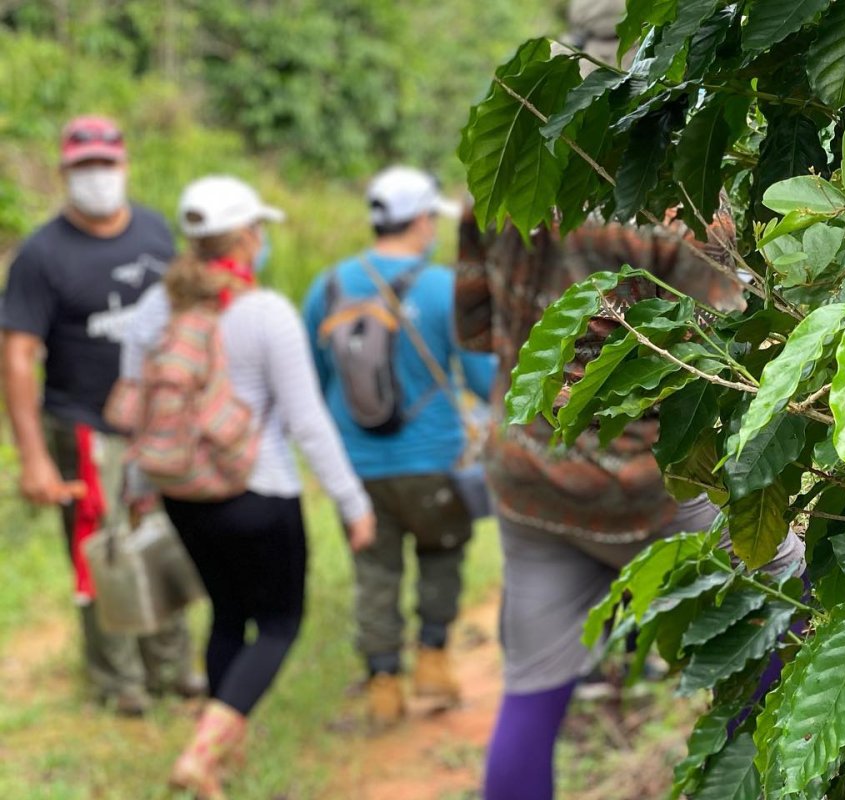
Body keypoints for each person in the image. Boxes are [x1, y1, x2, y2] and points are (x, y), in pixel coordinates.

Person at [119, 175, 376, 798]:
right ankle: (202, 754)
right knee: (281, 623)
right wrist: (351, 501)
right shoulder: (265, 312)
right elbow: (307, 422)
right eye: (257, 230)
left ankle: (219, 759)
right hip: (259, 493)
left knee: (229, 614)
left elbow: (135, 407)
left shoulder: (156, 310)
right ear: (244, 237)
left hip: (184, 496)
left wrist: (137, 486)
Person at [0, 115, 199, 716]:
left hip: (157, 419)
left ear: (125, 165)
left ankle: (174, 665)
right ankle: (120, 682)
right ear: (65, 172)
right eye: (84, 167)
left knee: (166, 538)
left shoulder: (154, 233)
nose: (97, 177)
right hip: (83, 422)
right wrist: (33, 456)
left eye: (106, 165)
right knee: (102, 548)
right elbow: (17, 357)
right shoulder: (41, 254)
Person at [302, 166, 496, 725]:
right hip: (434, 461)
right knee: (440, 557)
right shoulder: (442, 288)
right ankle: (433, 666)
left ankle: (383, 687)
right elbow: (484, 383)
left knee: (376, 573)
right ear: (420, 220)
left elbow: (315, 380)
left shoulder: (328, 286)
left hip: (357, 468)